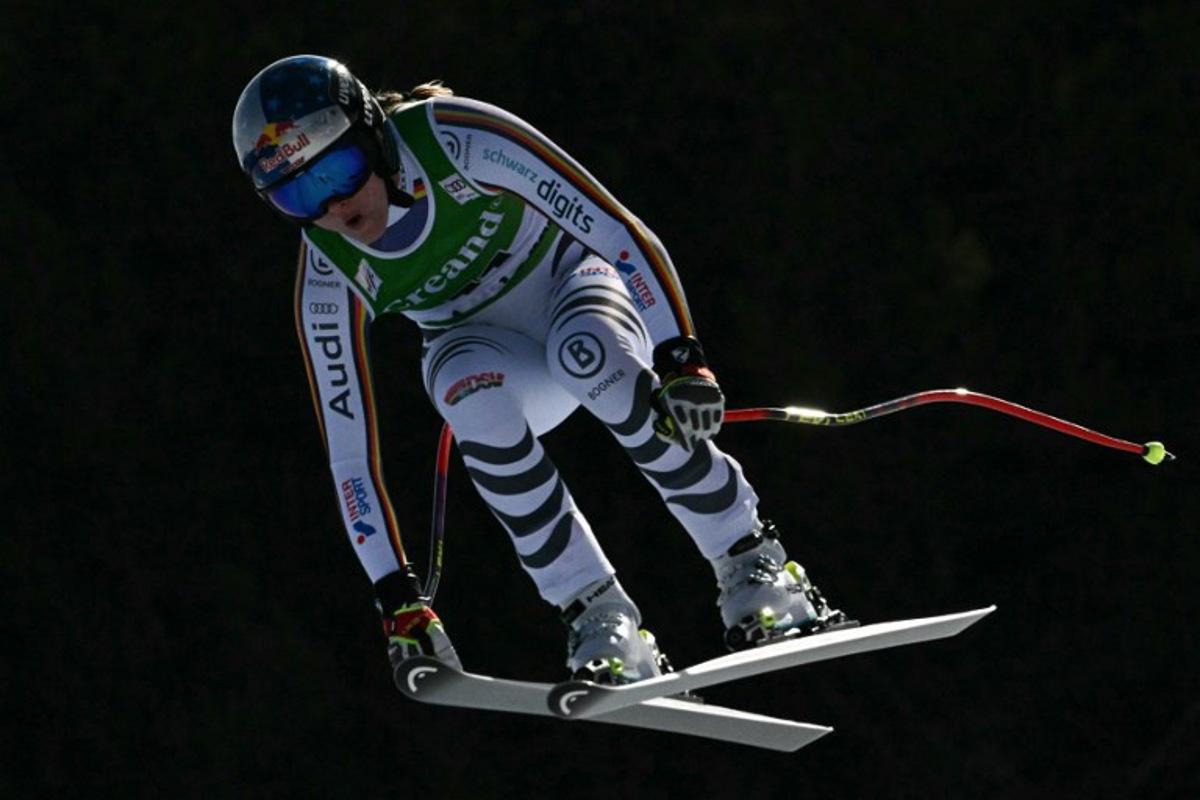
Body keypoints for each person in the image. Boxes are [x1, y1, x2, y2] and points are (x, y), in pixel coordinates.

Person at [232, 54, 850, 686]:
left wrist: (679, 357)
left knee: (589, 353)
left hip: (569, 285)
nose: (332, 207)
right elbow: (349, 453)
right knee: (459, 389)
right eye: (296, 195)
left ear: (373, 135)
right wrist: (398, 600)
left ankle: (752, 562)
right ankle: (599, 617)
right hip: (486, 350)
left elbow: (617, 229)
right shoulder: (327, 267)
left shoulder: (453, 137)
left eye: (337, 171)